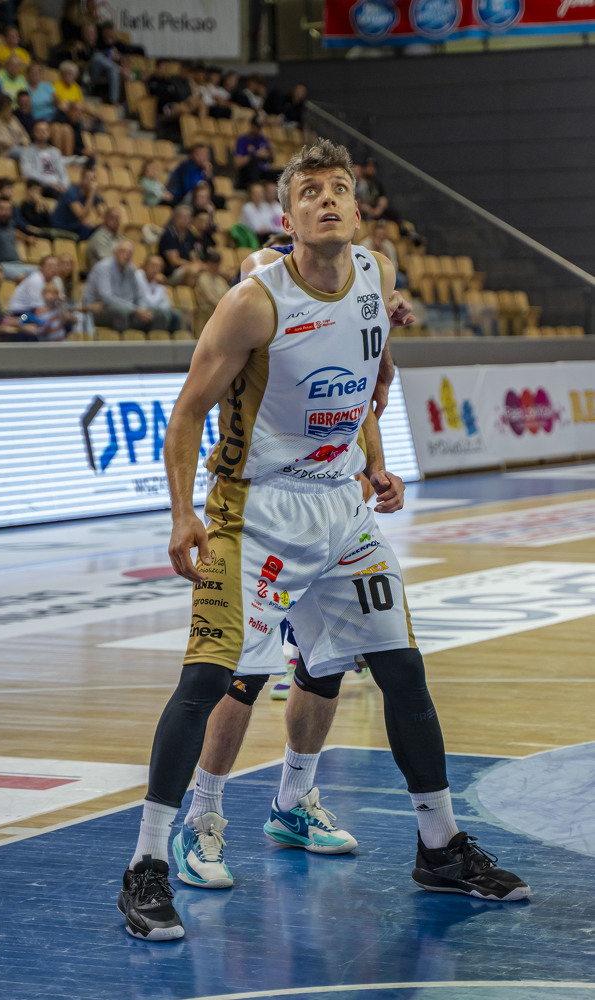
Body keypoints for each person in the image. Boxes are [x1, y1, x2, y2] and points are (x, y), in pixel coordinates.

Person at [116, 138, 530, 942]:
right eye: (310, 192)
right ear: (287, 216)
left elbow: (368, 377)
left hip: (341, 509)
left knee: (401, 669)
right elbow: (187, 411)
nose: (327, 199)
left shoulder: (376, 273)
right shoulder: (254, 301)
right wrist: (180, 514)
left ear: (357, 207)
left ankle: (439, 848)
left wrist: (374, 461)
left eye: (338, 187)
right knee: (210, 680)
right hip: (256, 511)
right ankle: (147, 865)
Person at [82, 239, 159, 334]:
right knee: (120, 313)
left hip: (128, 310)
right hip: (98, 310)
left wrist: (143, 309)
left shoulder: (131, 270)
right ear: (115, 252)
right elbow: (107, 299)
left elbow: (139, 295)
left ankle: (153, 342)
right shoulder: (103, 267)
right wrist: (135, 310)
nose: (126, 255)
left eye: (130, 253)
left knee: (160, 314)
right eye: (123, 251)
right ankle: (125, 343)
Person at [0, 196, 34, 281]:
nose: (4, 213)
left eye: (7, 209)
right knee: (22, 277)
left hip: (18, 264)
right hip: (0, 266)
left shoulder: (10, 223)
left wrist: (27, 238)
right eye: (1, 209)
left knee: (42, 273)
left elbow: (15, 233)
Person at [51, 161, 104, 239]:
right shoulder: (71, 193)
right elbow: (82, 216)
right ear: (82, 179)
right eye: (89, 178)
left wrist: (94, 223)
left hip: (76, 225)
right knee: (85, 229)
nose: (92, 182)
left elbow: (103, 216)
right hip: (62, 225)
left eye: (94, 179)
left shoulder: (93, 194)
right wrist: (91, 194)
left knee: (103, 229)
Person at [19, 119, 68, 198]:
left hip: (58, 185)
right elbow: (27, 172)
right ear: (33, 133)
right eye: (39, 131)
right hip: (41, 186)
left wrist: (64, 186)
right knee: (55, 193)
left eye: (45, 130)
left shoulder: (55, 152)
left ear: (49, 133)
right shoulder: (27, 152)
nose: (43, 133)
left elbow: (63, 173)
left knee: (72, 193)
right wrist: (48, 183)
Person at [157, 204, 204, 286]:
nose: (187, 220)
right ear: (175, 219)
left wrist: (200, 265)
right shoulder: (169, 234)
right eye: (184, 218)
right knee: (193, 270)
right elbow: (174, 261)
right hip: (171, 273)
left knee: (207, 270)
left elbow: (193, 256)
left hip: (187, 267)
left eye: (188, 218)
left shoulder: (189, 234)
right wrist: (193, 265)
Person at [134, 254, 181, 333]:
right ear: (145, 266)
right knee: (161, 314)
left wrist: (160, 285)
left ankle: (175, 340)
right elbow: (148, 301)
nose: (156, 269)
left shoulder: (158, 280)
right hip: (140, 311)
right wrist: (160, 286)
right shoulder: (138, 277)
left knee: (177, 314)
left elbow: (166, 303)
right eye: (153, 266)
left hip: (155, 310)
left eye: (159, 267)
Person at [166, 143, 221, 208]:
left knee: (220, 200)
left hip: (197, 196)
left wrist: (208, 176)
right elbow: (187, 188)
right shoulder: (186, 167)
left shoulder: (203, 169)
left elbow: (211, 191)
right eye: (201, 154)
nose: (204, 157)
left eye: (206, 154)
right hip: (180, 197)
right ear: (194, 155)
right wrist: (203, 196)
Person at [0, 92, 30, 157]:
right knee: (28, 153)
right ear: (1, 107)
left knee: (35, 151)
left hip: (18, 148)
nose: (11, 108)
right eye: (8, 106)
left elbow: (24, 134)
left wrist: (25, 142)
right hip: (3, 151)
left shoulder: (13, 119)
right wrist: (4, 142)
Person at [233, 115, 274, 189]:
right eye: (256, 126)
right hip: (247, 174)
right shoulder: (242, 140)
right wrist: (255, 154)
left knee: (280, 175)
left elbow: (270, 160)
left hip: (262, 171)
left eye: (260, 127)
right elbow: (238, 163)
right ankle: (256, 187)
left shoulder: (263, 139)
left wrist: (270, 154)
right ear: (251, 125)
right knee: (254, 161)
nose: (258, 129)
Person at [85, 205, 120, 269]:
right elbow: (108, 263)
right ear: (105, 219)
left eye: (118, 219)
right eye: (112, 217)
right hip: (102, 273)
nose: (116, 221)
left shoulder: (120, 238)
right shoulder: (99, 238)